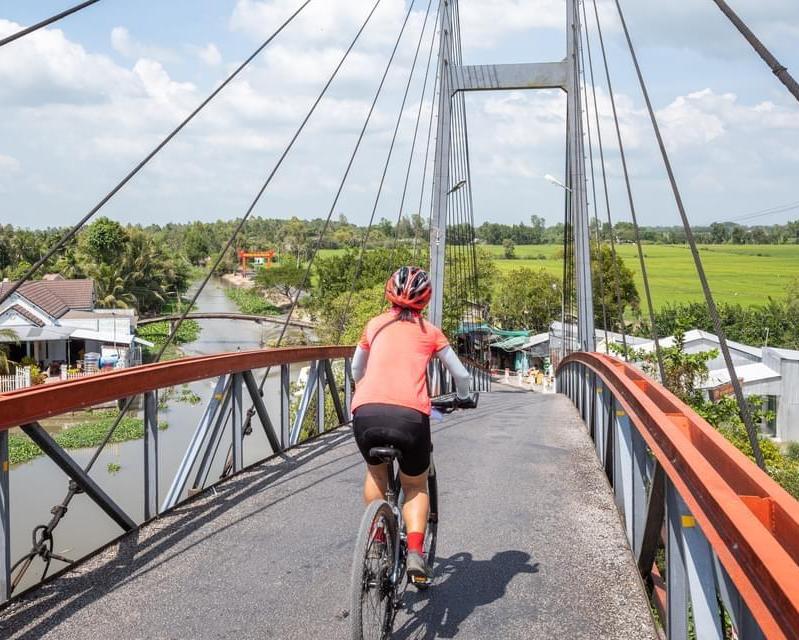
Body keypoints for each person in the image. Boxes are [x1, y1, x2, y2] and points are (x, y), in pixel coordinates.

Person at [351, 266, 475, 583]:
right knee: (415, 485)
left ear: (388, 292)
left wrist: (366, 388)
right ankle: (416, 554)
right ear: (425, 299)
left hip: (365, 411)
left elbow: (356, 368)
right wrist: (464, 396)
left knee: (377, 472)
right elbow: (461, 375)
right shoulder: (431, 332)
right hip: (409, 417)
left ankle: (378, 542)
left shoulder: (374, 325)